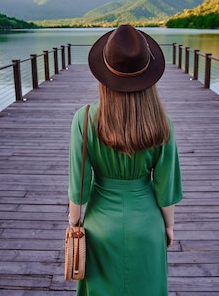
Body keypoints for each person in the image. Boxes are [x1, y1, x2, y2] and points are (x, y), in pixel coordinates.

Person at [68, 24, 183, 295]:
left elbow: (79, 188)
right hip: (147, 225)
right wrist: (168, 226)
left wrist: (74, 223)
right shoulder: (162, 122)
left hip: (99, 227)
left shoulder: (84, 119)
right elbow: (166, 187)